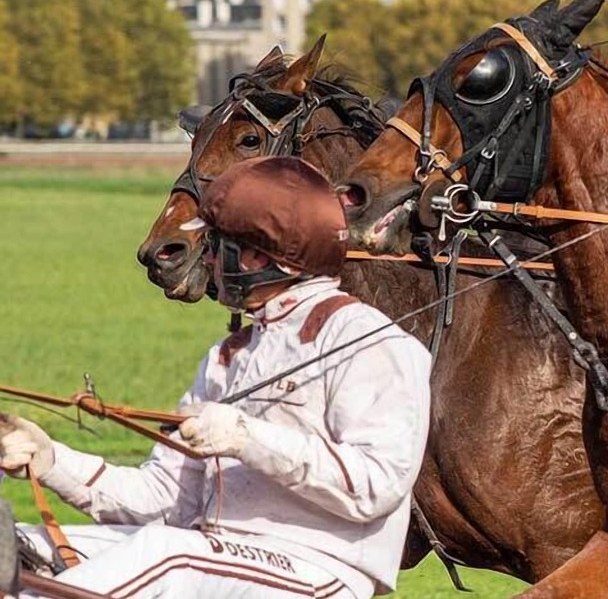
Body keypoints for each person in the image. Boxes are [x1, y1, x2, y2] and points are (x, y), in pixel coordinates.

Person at [0, 156, 433, 598]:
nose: (206, 258)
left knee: (166, 553)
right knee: (19, 549)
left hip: (319, 570)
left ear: (266, 259)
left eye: (217, 245)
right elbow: (162, 500)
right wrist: (49, 459)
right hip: (211, 555)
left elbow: (378, 484)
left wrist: (248, 438)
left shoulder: (373, 343)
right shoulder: (228, 356)